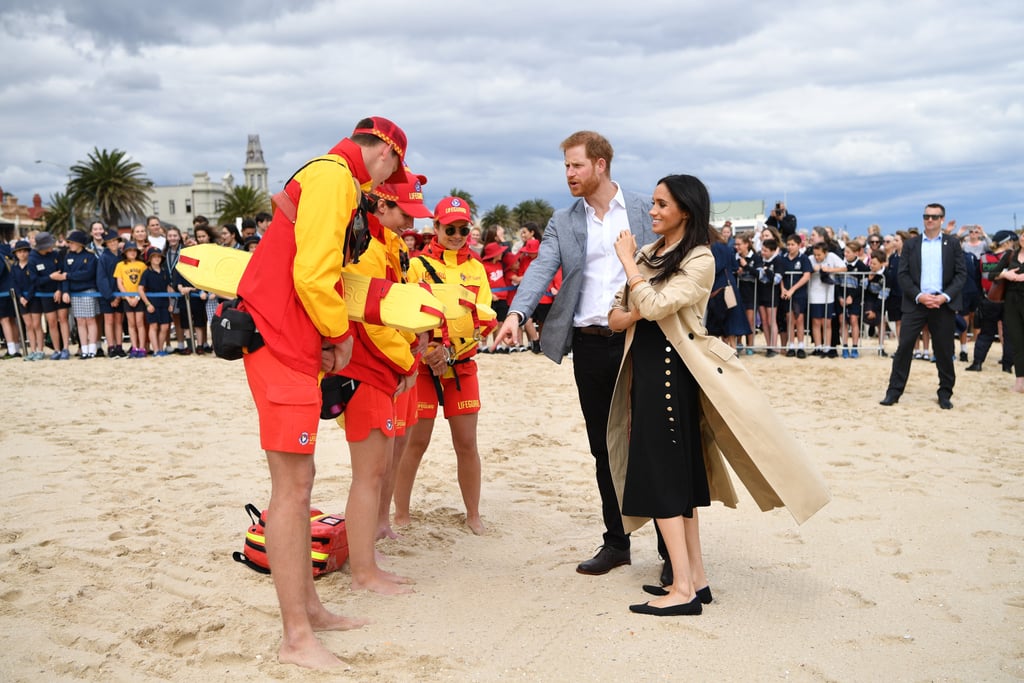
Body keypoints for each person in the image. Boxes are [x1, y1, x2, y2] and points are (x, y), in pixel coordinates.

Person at [606, 174, 830, 616]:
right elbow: (615, 315)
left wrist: (631, 271)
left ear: (684, 211)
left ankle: (683, 590)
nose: (651, 211)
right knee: (679, 485)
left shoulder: (700, 257)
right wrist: (637, 296)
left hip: (675, 377)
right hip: (648, 374)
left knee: (666, 483)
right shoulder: (652, 253)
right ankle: (698, 580)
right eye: (652, 203)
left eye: (660, 204)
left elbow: (650, 308)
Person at [234, 116, 406, 669]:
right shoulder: (335, 177)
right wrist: (338, 336)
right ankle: (296, 640)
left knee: (299, 483)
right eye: (394, 165)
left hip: (287, 339)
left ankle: (310, 609)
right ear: (381, 150)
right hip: (278, 339)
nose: (390, 179)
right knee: (291, 488)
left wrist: (325, 340)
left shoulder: (332, 175)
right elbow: (314, 274)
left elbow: (313, 271)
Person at [491, 130, 656, 577]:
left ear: (600, 165)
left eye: (576, 165)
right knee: (603, 446)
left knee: (651, 442)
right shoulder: (562, 221)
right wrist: (516, 312)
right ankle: (616, 542)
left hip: (640, 339)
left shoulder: (644, 209)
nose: (568, 174)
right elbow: (542, 267)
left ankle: (669, 548)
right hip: (588, 343)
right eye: (565, 166)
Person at [329, 167, 430, 593]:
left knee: (377, 468)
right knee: (368, 473)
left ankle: (368, 557)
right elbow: (372, 319)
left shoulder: (385, 242)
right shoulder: (367, 247)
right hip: (367, 367)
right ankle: (364, 572)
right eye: (404, 213)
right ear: (382, 204)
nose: (411, 223)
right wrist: (407, 360)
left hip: (379, 366)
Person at [393, 196, 494, 535]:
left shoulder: (477, 268)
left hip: (461, 367)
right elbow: (407, 315)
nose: (456, 234)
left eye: (463, 228)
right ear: (435, 227)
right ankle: (402, 513)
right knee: (414, 442)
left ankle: (473, 515)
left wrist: (451, 352)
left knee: (467, 444)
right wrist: (429, 352)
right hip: (422, 366)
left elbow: (482, 322)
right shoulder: (418, 266)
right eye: (449, 228)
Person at [880, 204, 967, 409]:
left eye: (934, 217)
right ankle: (894, 392)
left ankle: (945, 393)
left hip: (942, 304)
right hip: (916, 303)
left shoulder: (952, 243)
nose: (930, 220)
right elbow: (903, 274)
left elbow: (961, 274)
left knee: (944, 350)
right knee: (904, 348)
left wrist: (944, 297)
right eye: (927, 216)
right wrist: (919, 296)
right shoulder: (912, 244)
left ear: (942, 219)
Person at [966, 230, 1017, 372]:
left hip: (988, 299)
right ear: (1007, 243)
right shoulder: (1012, 258)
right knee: (1009, 335)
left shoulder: (983, 258)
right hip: (1008, 301)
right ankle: (1007, 366)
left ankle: (977, 363)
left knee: (986, 333)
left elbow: (978, 280)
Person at [27, 231, 71, 360]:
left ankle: (66, 348)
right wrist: (50, 277)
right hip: (44, 294)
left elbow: (62, 273)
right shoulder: (33, 259)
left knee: (63, 319)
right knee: (51, 322)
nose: (52, 247)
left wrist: (59, 290)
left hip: (59, 291)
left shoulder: (56, 255)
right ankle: (56, 349)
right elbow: (35, 281)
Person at [991, 230, 1024, 392]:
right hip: (1012, 302)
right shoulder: (1010, 255)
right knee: (1017, 342)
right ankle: (1019, 382)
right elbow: (991, 274)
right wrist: (1006, 274)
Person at [62, 230, 101, 358]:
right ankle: (84, 349)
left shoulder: (90, 256)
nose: (70, 245)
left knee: (90, 319)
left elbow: (88, 274)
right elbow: (65, 276)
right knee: (79, 321)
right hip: (75, 292)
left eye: (72, 242)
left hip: (88, 290)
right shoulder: (68, 257)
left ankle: (92, 348)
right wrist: (66, 291)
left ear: (80, 243)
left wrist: (70, 275)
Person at [808, 241, 844, 356]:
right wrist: (813, 269)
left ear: (825, 253)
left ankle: (827, 347)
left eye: (819, 255)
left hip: (828, 295)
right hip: (814, 295)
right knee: (815, 321)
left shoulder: (832, 257)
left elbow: (844, 268)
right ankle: (818, 347)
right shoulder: (810, 258)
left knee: (827, 322)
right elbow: (804, 271)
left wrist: (830, 270)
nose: (817, 257)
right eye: (815, 255)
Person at [778, 233, 812, 357]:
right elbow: (780, 275)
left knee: (799, 319)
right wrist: (783, 289)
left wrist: (793, 289)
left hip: (799, 294)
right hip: (787, 293)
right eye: (788, 244)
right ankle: (791, 345)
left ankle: (801, 346)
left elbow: (807, 275)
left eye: (793, 245)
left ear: (799, 245)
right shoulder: (783, 258)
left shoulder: (803, 258)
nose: (790, 247)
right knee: (789, 319)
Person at [137, 247, 174, 356]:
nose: (157, 259)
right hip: (152, 303)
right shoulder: (146, 273)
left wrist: (171, 302)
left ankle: (160, 348)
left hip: (164, 303)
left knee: (165, 327)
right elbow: (140, 289)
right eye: (154, 257)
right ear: (150, 259)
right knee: (154, 326)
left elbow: (168, 287)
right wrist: (147, 304)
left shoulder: (165, 271)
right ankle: (156, 350)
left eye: (158, 256)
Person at [114, 242, 148, 358]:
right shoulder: (120, 265)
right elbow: (120, 283)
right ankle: (134, 347)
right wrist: (127, 298)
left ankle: (142, 347)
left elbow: (144, 283)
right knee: (131, 324)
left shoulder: (142, 265)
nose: (132, 253)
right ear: (125, 253)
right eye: (129, 250)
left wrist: (138, 297)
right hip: (127, 298)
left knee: (140, 323)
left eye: (134, 250)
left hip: (139, 298)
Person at [96, 229, 126, 358]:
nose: (113, 243)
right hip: (107, 295)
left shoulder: (122, 256)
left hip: (120, 294)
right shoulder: (103, 258)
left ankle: (119, 346)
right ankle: (111, 346)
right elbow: (101, 279)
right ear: (106, 244)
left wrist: (119, 295)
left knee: (119, 320)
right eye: (109, 242)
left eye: (115, 240)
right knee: (108, 320)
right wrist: (111, 297)